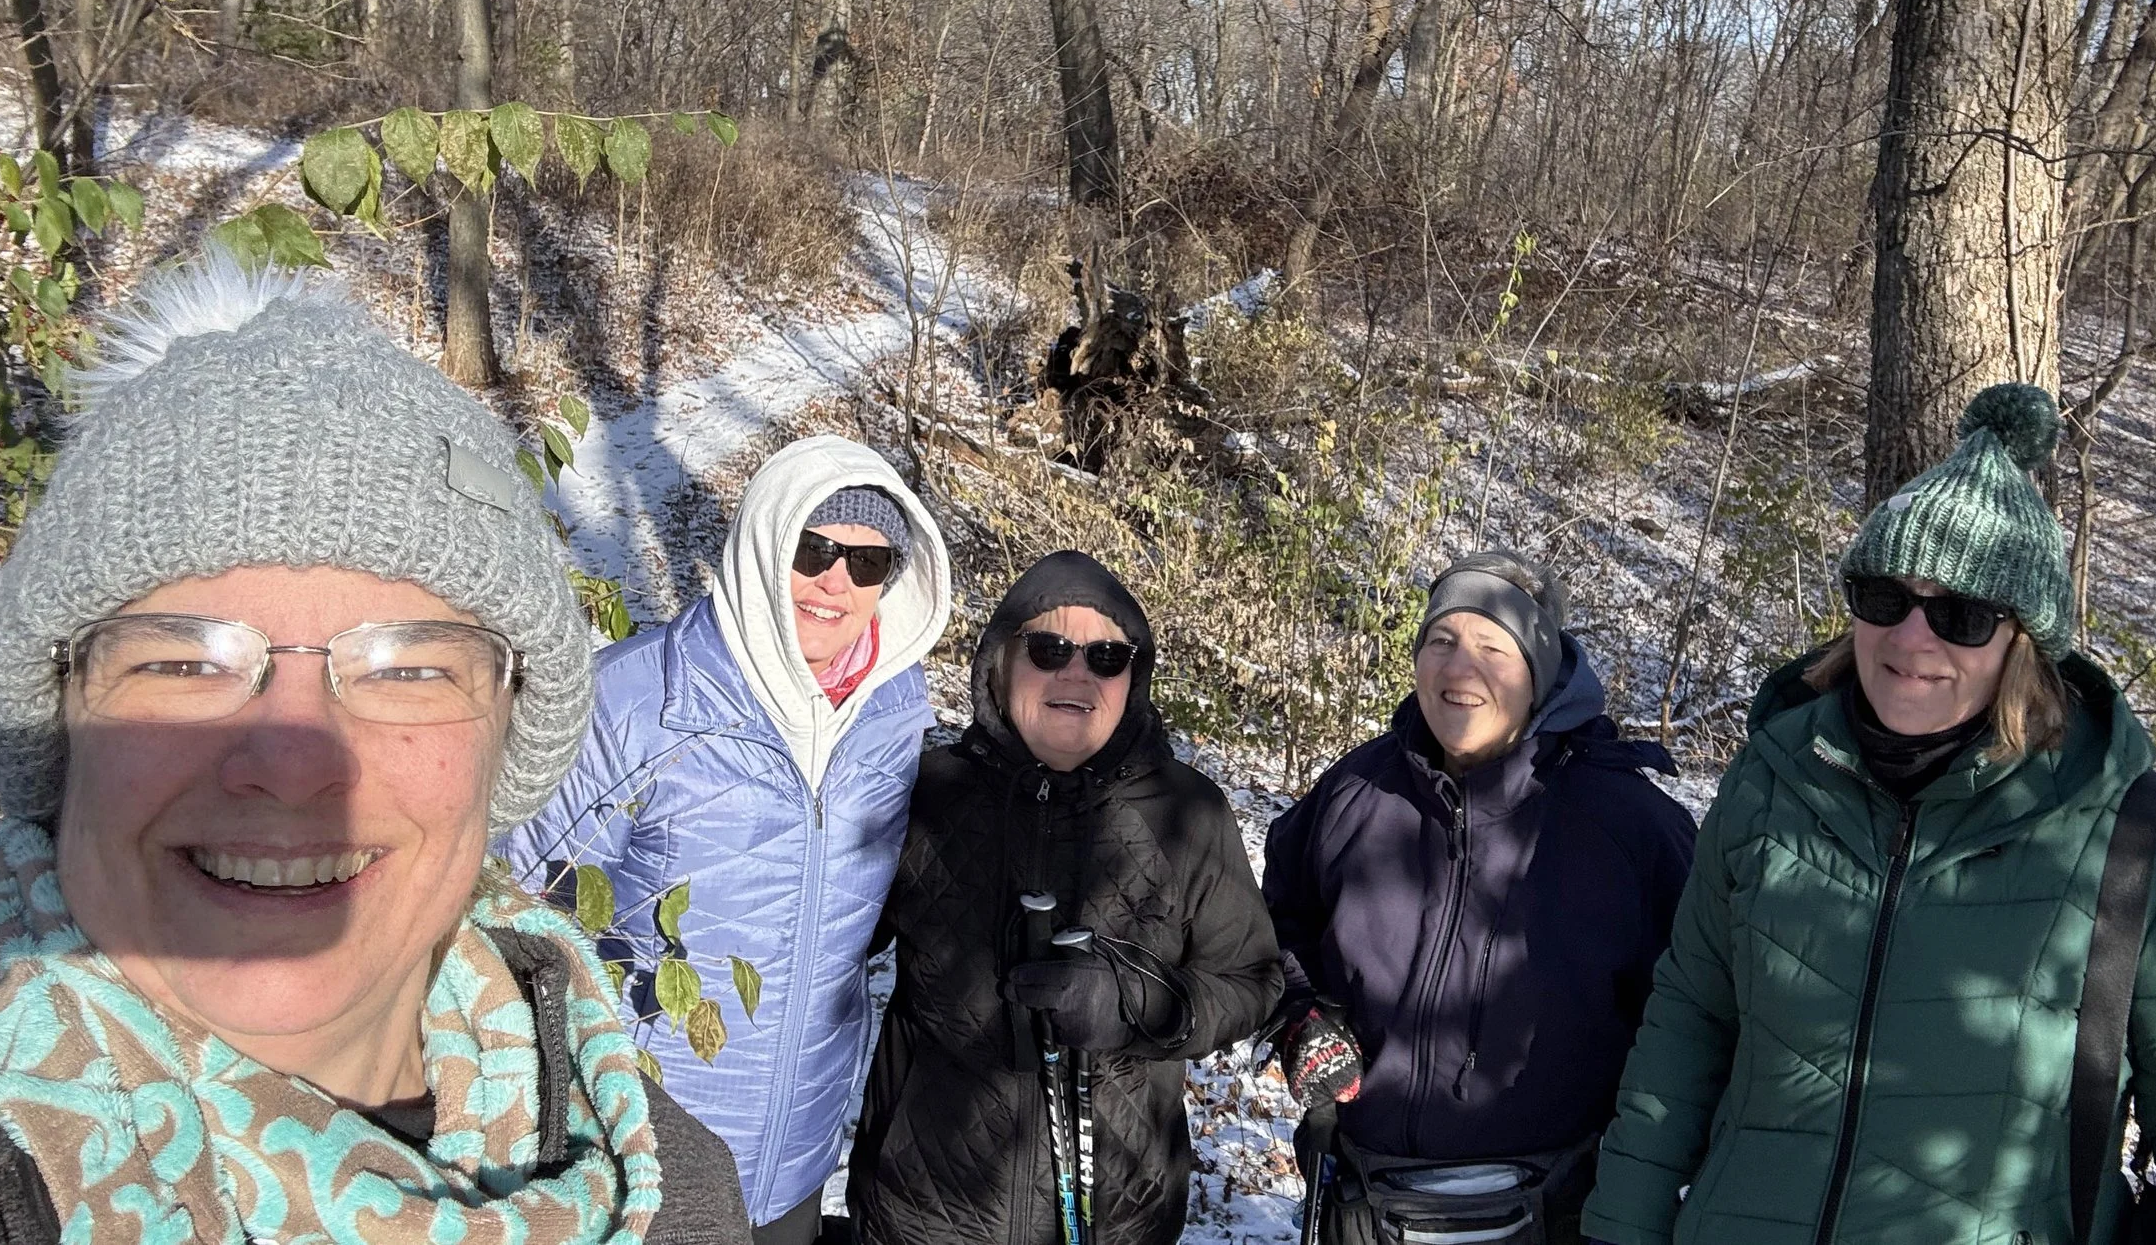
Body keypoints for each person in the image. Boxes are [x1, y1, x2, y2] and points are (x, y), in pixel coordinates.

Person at [0, 248, 749, 1243]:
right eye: (182, 662)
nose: (295, 760)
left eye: (407, 666)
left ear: (508, 740)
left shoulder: (668, 1188)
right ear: (58, 720)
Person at [1584, 384, 2156, 1245]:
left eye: (1962, 614)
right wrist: (1619, 1228)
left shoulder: (2137, 836)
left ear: (2025, 641)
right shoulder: (1771, 780)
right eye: (1886, 597)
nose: (1912, 640)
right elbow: (1691, 1023)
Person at [501, 435, 952, 1242]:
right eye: (813, 548)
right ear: (765, 541)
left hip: (800, 1155)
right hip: (643, 1151)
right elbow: (524, 924)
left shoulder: (893, 716)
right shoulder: (637, 701)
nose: (834, 581)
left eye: (867, 561)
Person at [1261, 549, 1697, 1245]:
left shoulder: (1629, 825)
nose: (1460, 669)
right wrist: (1300, 1015)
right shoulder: (1354, 792)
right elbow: (1277, 922)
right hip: (1367, 1199)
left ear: (1541, 670)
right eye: (1442, 640)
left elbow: (1698, 1013)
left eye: (1493, 646)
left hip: (1556, 1207)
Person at [846, 551, 1282, 1245]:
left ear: (1132, 678)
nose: (1076, 673)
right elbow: (825, 926)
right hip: (924, 1214)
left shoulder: (1190, 813)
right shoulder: (927, 790)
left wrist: (1138, 1002)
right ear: (1001, 662)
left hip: (1118, 1221)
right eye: (1048, 649)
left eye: (1107, 656)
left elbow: (1254, 980)